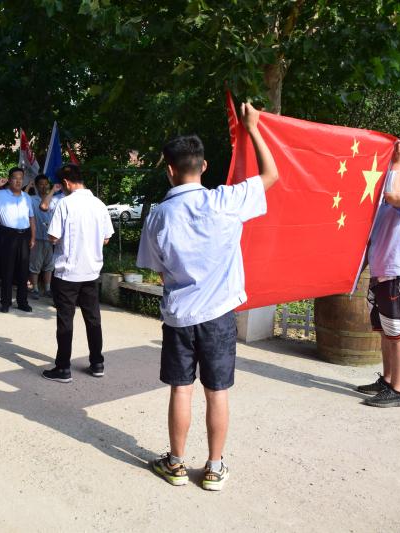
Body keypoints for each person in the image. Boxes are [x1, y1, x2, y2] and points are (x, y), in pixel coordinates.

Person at [135, 103, 278, 491]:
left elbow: (156, 268)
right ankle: (214, 468)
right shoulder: (225, 201)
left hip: (180, 316)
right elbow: (271, 175)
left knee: (181, 389)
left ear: (169, 169)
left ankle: (176, 463)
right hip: (218, 315)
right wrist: (252, 127)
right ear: (204, 166)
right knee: (217, 392)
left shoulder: (158, 215)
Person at [356, 140, 400, 407]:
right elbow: (371, 241)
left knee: (398, 333)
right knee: (386, 332)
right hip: (382, 274)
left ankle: (398, 391)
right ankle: (387, 381)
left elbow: (394, 196)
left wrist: (396, 162)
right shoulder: (383, 204)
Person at [41, 164, 114, 384]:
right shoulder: (99, 204)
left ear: (65, 183)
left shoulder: (65, 204)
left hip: (67, 273)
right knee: (93, 319)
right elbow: (106, 238)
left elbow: (53, 236)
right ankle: (97, 363)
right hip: (91, 271)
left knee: (65, 320)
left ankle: (63, 368)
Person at [0, 167, 36, 313]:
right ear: (9, 179)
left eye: (21, 178)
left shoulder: (26, 197)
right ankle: (5, 302)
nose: (18, 181)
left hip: (24, 234)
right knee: (7, 269)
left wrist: (33, 237)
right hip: (7, 235)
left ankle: (22, 301)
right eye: (15, 178)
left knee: (23, 270)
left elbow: (31, 218)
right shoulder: (0, 195)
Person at [29, 174, 55, 298]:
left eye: (46, 184)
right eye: (41, 184)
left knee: (49, 265)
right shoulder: (32, 199)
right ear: (36, 186)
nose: (44, 187)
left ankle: (48, 289)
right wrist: (28, 187)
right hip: (37, 237)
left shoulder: (54, 199)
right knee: (35, 264)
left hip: (51, 238)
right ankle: (35, 288)